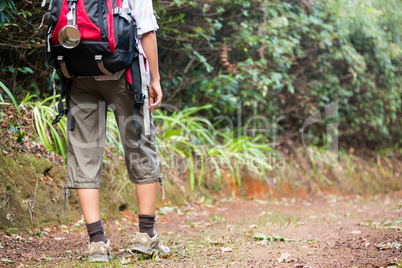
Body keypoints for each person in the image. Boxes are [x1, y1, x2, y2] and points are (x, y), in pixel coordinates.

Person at [63, 0, 169, 262]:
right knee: (139, 146)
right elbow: (145, 30)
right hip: (123, 72)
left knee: (84, 153)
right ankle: (146, 235)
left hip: (79, 74)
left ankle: (97, 242)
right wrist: (154, 79)